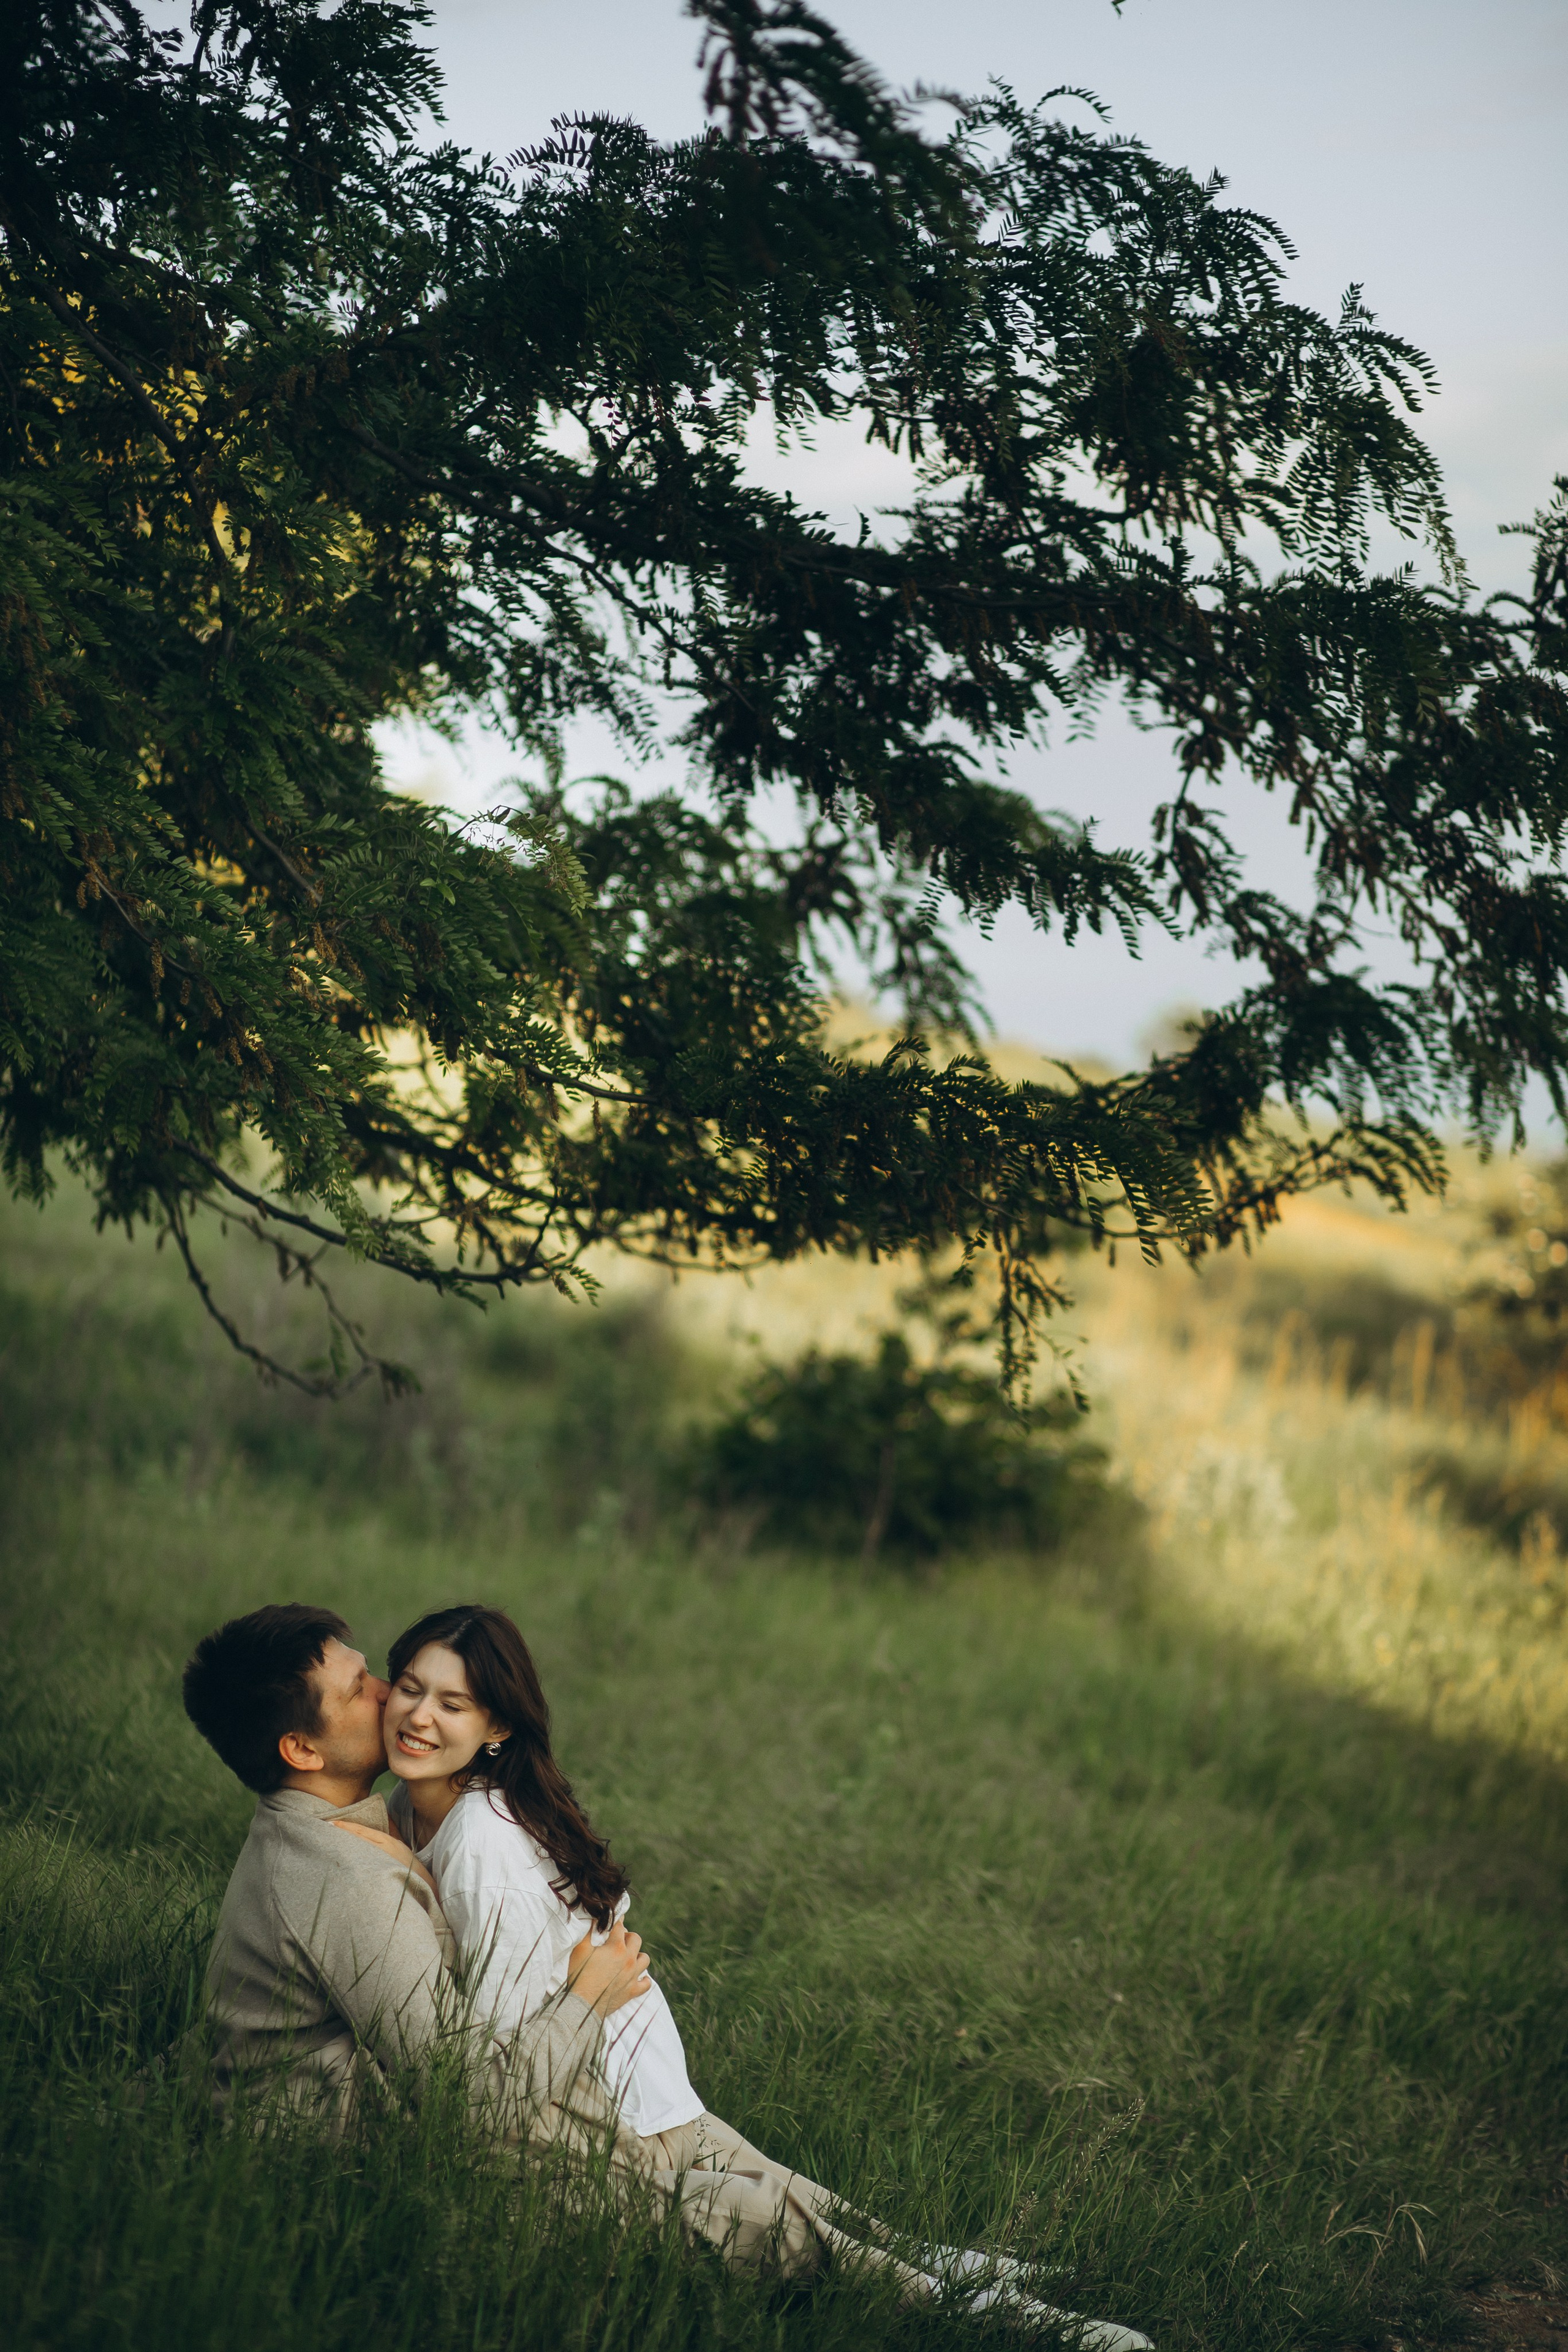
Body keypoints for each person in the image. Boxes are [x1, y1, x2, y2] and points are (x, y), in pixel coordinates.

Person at [183, 1601, 1152, 2347]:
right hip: (368, 2177)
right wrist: (589, 1995)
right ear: (300, 1747)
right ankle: (994, 2322)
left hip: (435, 2119)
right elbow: (466, 2104)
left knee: (727, 2161)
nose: (387, 1699)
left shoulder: (344, 1827)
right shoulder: (340, 1879)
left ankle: (962, 2281)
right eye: (362, 1686)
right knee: (738, 2211)